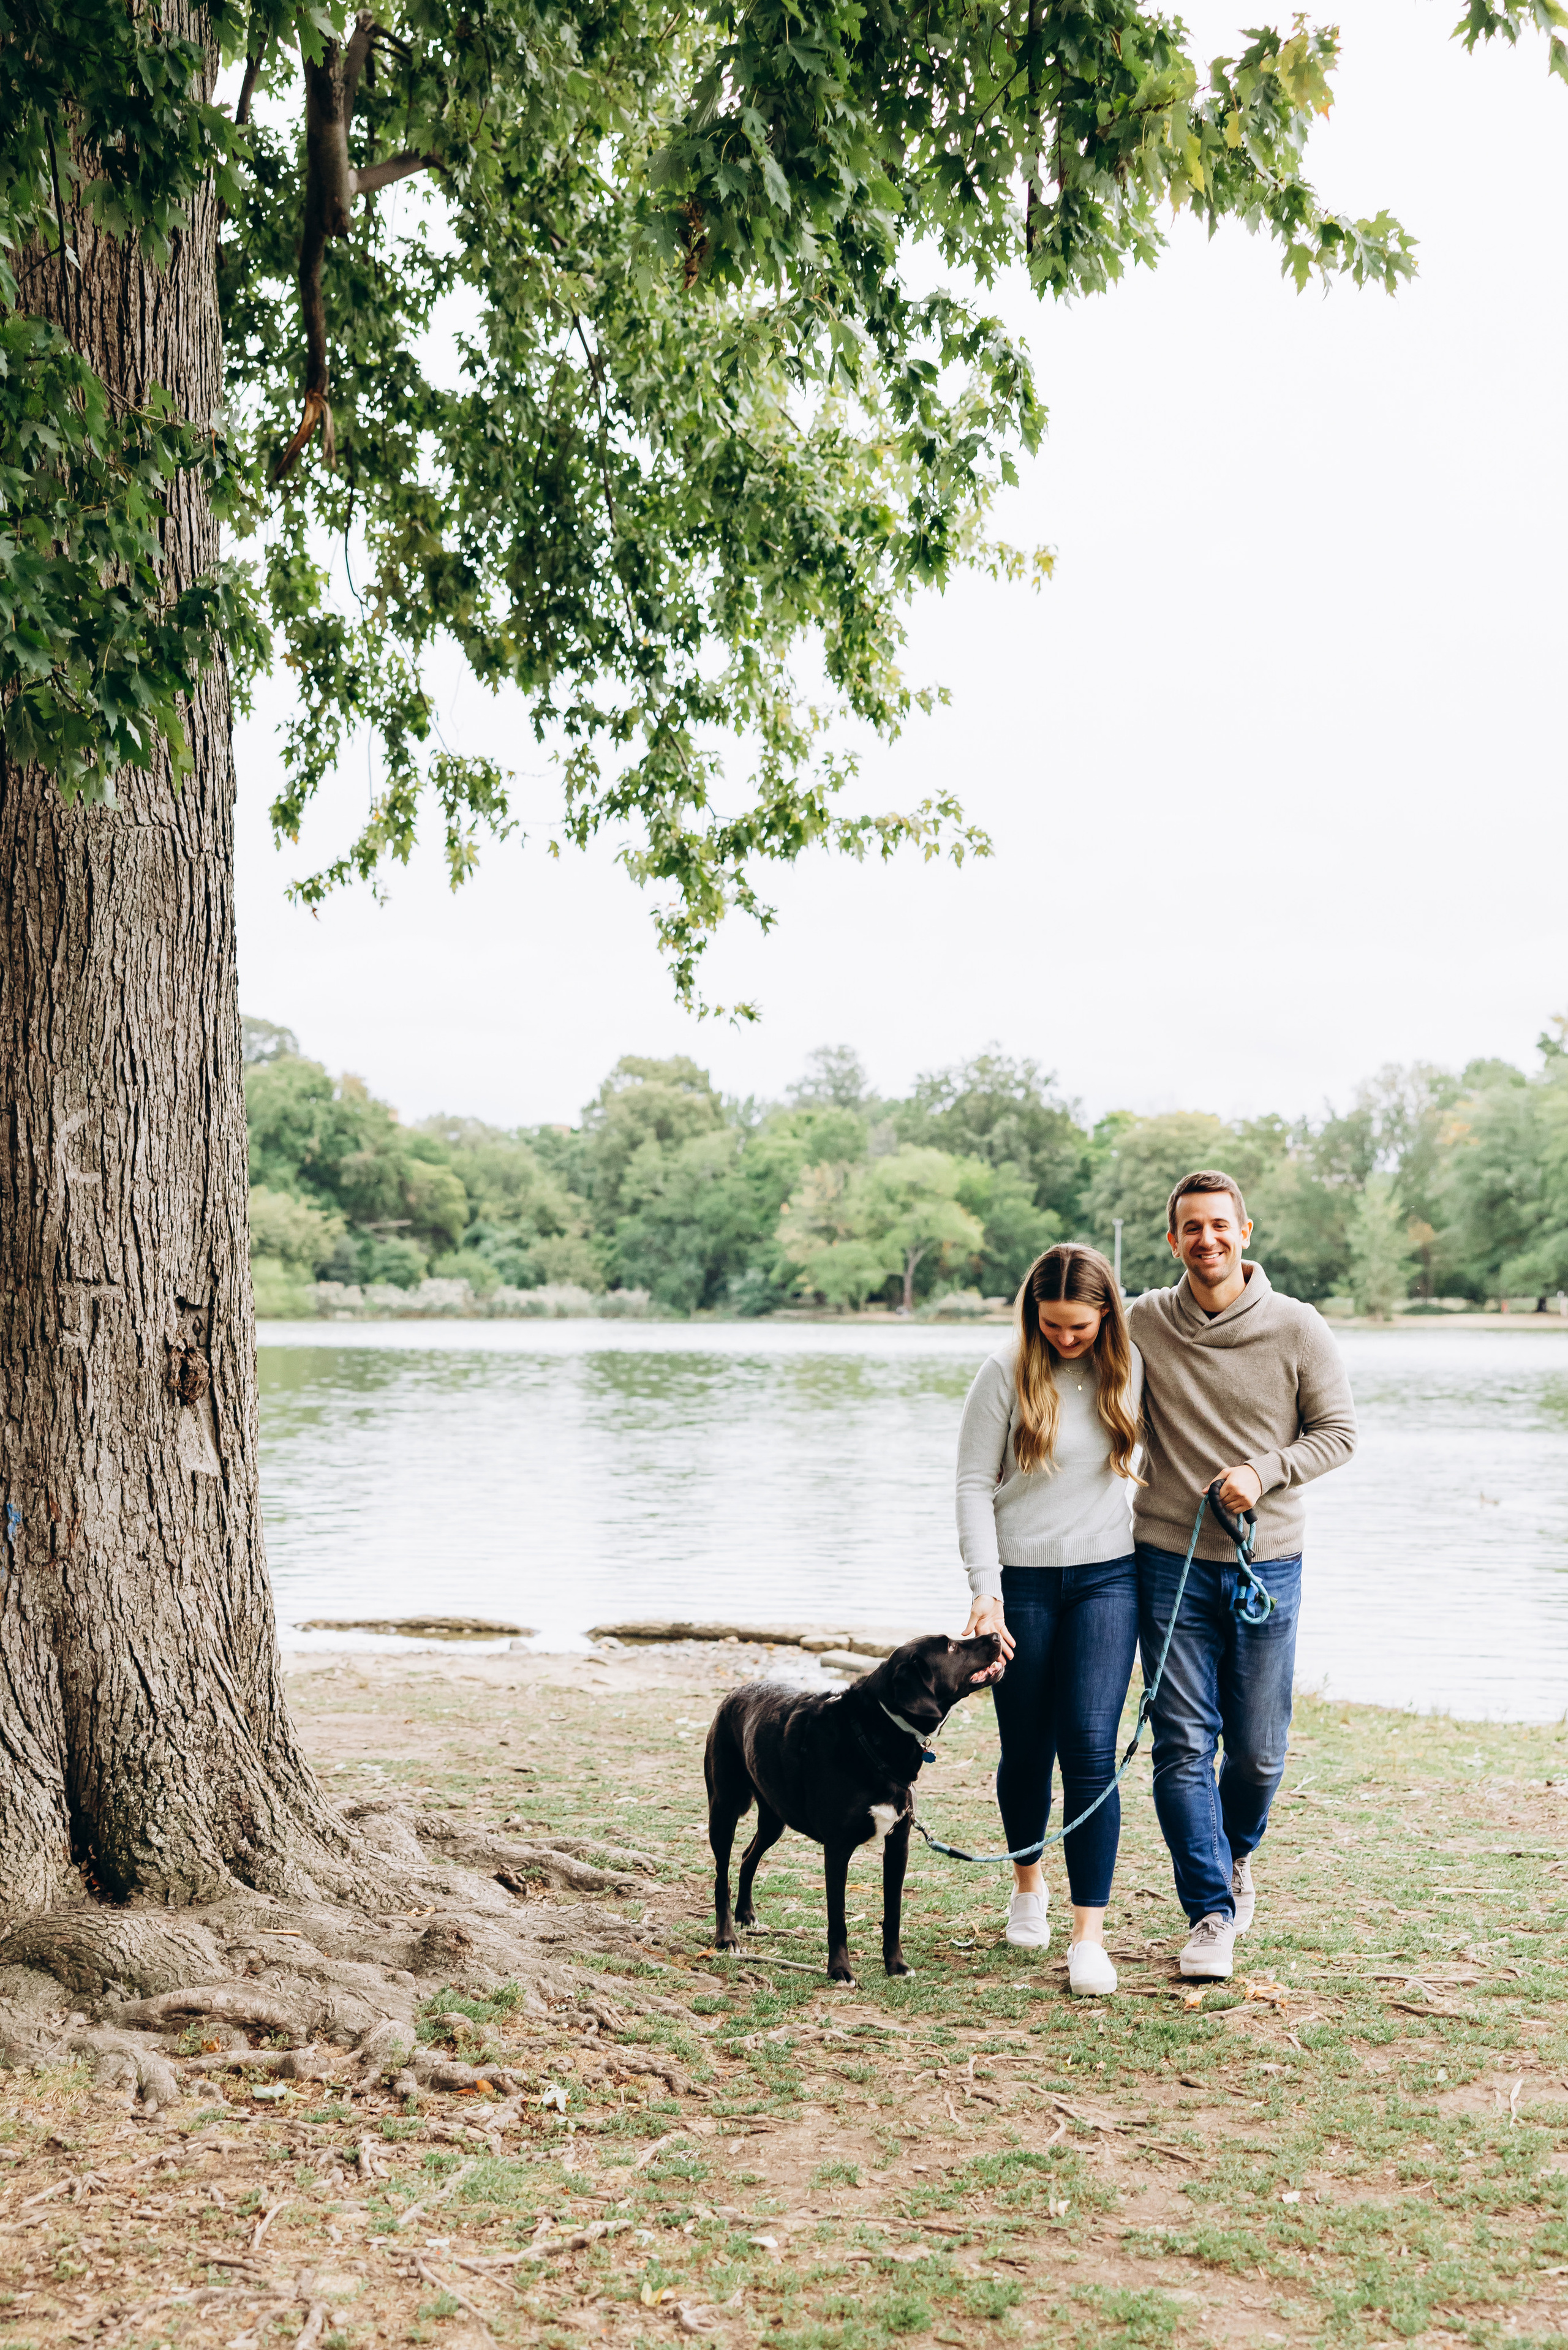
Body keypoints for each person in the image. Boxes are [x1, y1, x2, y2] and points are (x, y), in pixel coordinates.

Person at [1129, 1170, 1357, 1981]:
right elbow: (1077, 1361)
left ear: (1246, 1232)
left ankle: (1235, 1854)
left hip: (1270, 1566)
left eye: (1220, 1226)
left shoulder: (1298, 1328)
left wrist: (1266, 1470)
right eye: (1192, 1228)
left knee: (1257, 1753)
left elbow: (1339, 1434)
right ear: (1173, 1240)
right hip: (1169, 1564)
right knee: (1182, 1745)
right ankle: (1210, 1913)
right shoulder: (1145, 1323)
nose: (1207, 1240)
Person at [957, 1243, 1144, 1996]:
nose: (1067, 1338)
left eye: (1081, 1326)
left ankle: (1088, 1935)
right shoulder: (1005, 1370)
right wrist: (985, 1589)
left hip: (1109, 1577)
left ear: (1107, 1313)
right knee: (1026, 1747)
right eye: (1053, 1325)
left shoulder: (1129, 1366)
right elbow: (972, 1484)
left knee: (1092, 1751)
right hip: (1023, 1586)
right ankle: (1027, 1884)